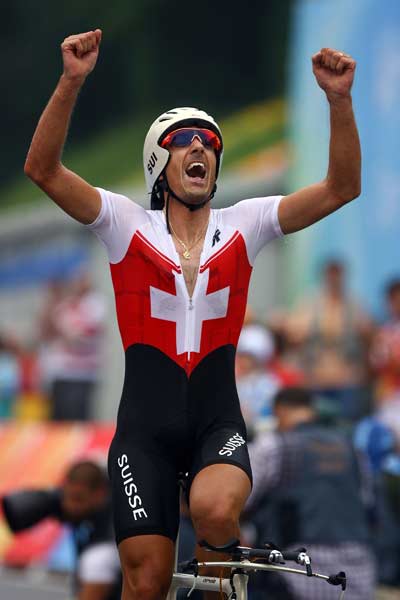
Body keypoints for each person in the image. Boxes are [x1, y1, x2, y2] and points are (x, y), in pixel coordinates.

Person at [24, 28, 361, 600]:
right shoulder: (124, 223)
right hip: (142, 433)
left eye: (209, 140)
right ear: (160, 159)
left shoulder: (247, 223)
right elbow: (44, 170)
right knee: (147, 580)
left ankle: (219, 590)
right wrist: (70, 82)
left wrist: (339, 101)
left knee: (213, 508)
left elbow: (340, 188)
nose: (201, 147)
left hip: (215, 422)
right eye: (185, 139)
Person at [246, 387, 376, 599]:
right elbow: (369, 505)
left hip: (296, 570)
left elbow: (239, 500)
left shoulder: (276, 446)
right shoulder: (352, 448)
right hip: (356, 572)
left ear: (279, 411)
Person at [2, 460, 121, 600]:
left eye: (78, 499)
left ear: (100, 494)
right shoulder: (79, 506)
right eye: (66, 496)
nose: (69, 506)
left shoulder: (103, 550)